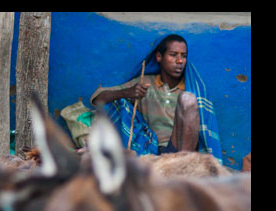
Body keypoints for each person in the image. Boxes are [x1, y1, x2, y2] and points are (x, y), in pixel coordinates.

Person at [90, 34, 222, 162]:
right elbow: (97, 99)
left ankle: (183, 165)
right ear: (159, 57)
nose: (180, 61)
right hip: (149, 148)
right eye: (173, 55)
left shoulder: (192, 89)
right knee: (118, 105)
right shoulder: (145, 83)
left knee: (188, 99)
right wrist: (127, 92)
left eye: (184, 56)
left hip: (180, 150)